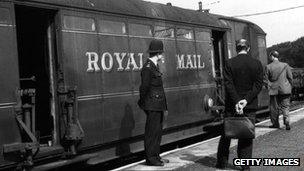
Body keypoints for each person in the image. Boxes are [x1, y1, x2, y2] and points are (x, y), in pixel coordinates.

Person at [216, 39, 263, 170]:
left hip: (232, 106)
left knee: (226, 134)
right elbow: (258, 85)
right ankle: (245, 166)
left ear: (237, 49)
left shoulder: (229, 63)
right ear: (248, 48)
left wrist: (237, 101)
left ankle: (221, 163)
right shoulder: (257, 64)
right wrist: (245, 100)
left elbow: (228, 85)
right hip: (249, 105)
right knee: (246, 136)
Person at [138, 39, 169, 166]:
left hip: (158, 105)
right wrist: (144, 103)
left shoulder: (154, 67)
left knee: (157, 131)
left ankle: (156, 155)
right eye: (161, 53)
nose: (162, 55)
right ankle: (151, 158)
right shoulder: (147, 68)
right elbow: (144, 88)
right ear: (158, 53)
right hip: (152, 105)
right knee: (151, 133)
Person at [265, 50, 293, 130]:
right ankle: (286, 120)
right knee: (285, 106)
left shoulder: (268, 66)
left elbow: (265, 80)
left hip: (274, 90)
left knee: (274, 108)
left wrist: (269, 86)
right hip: (285, 89)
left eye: (270, 56)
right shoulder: (285, 65)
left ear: (272, 56)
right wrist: (290, 87)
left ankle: (275, 124)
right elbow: (290, 77)